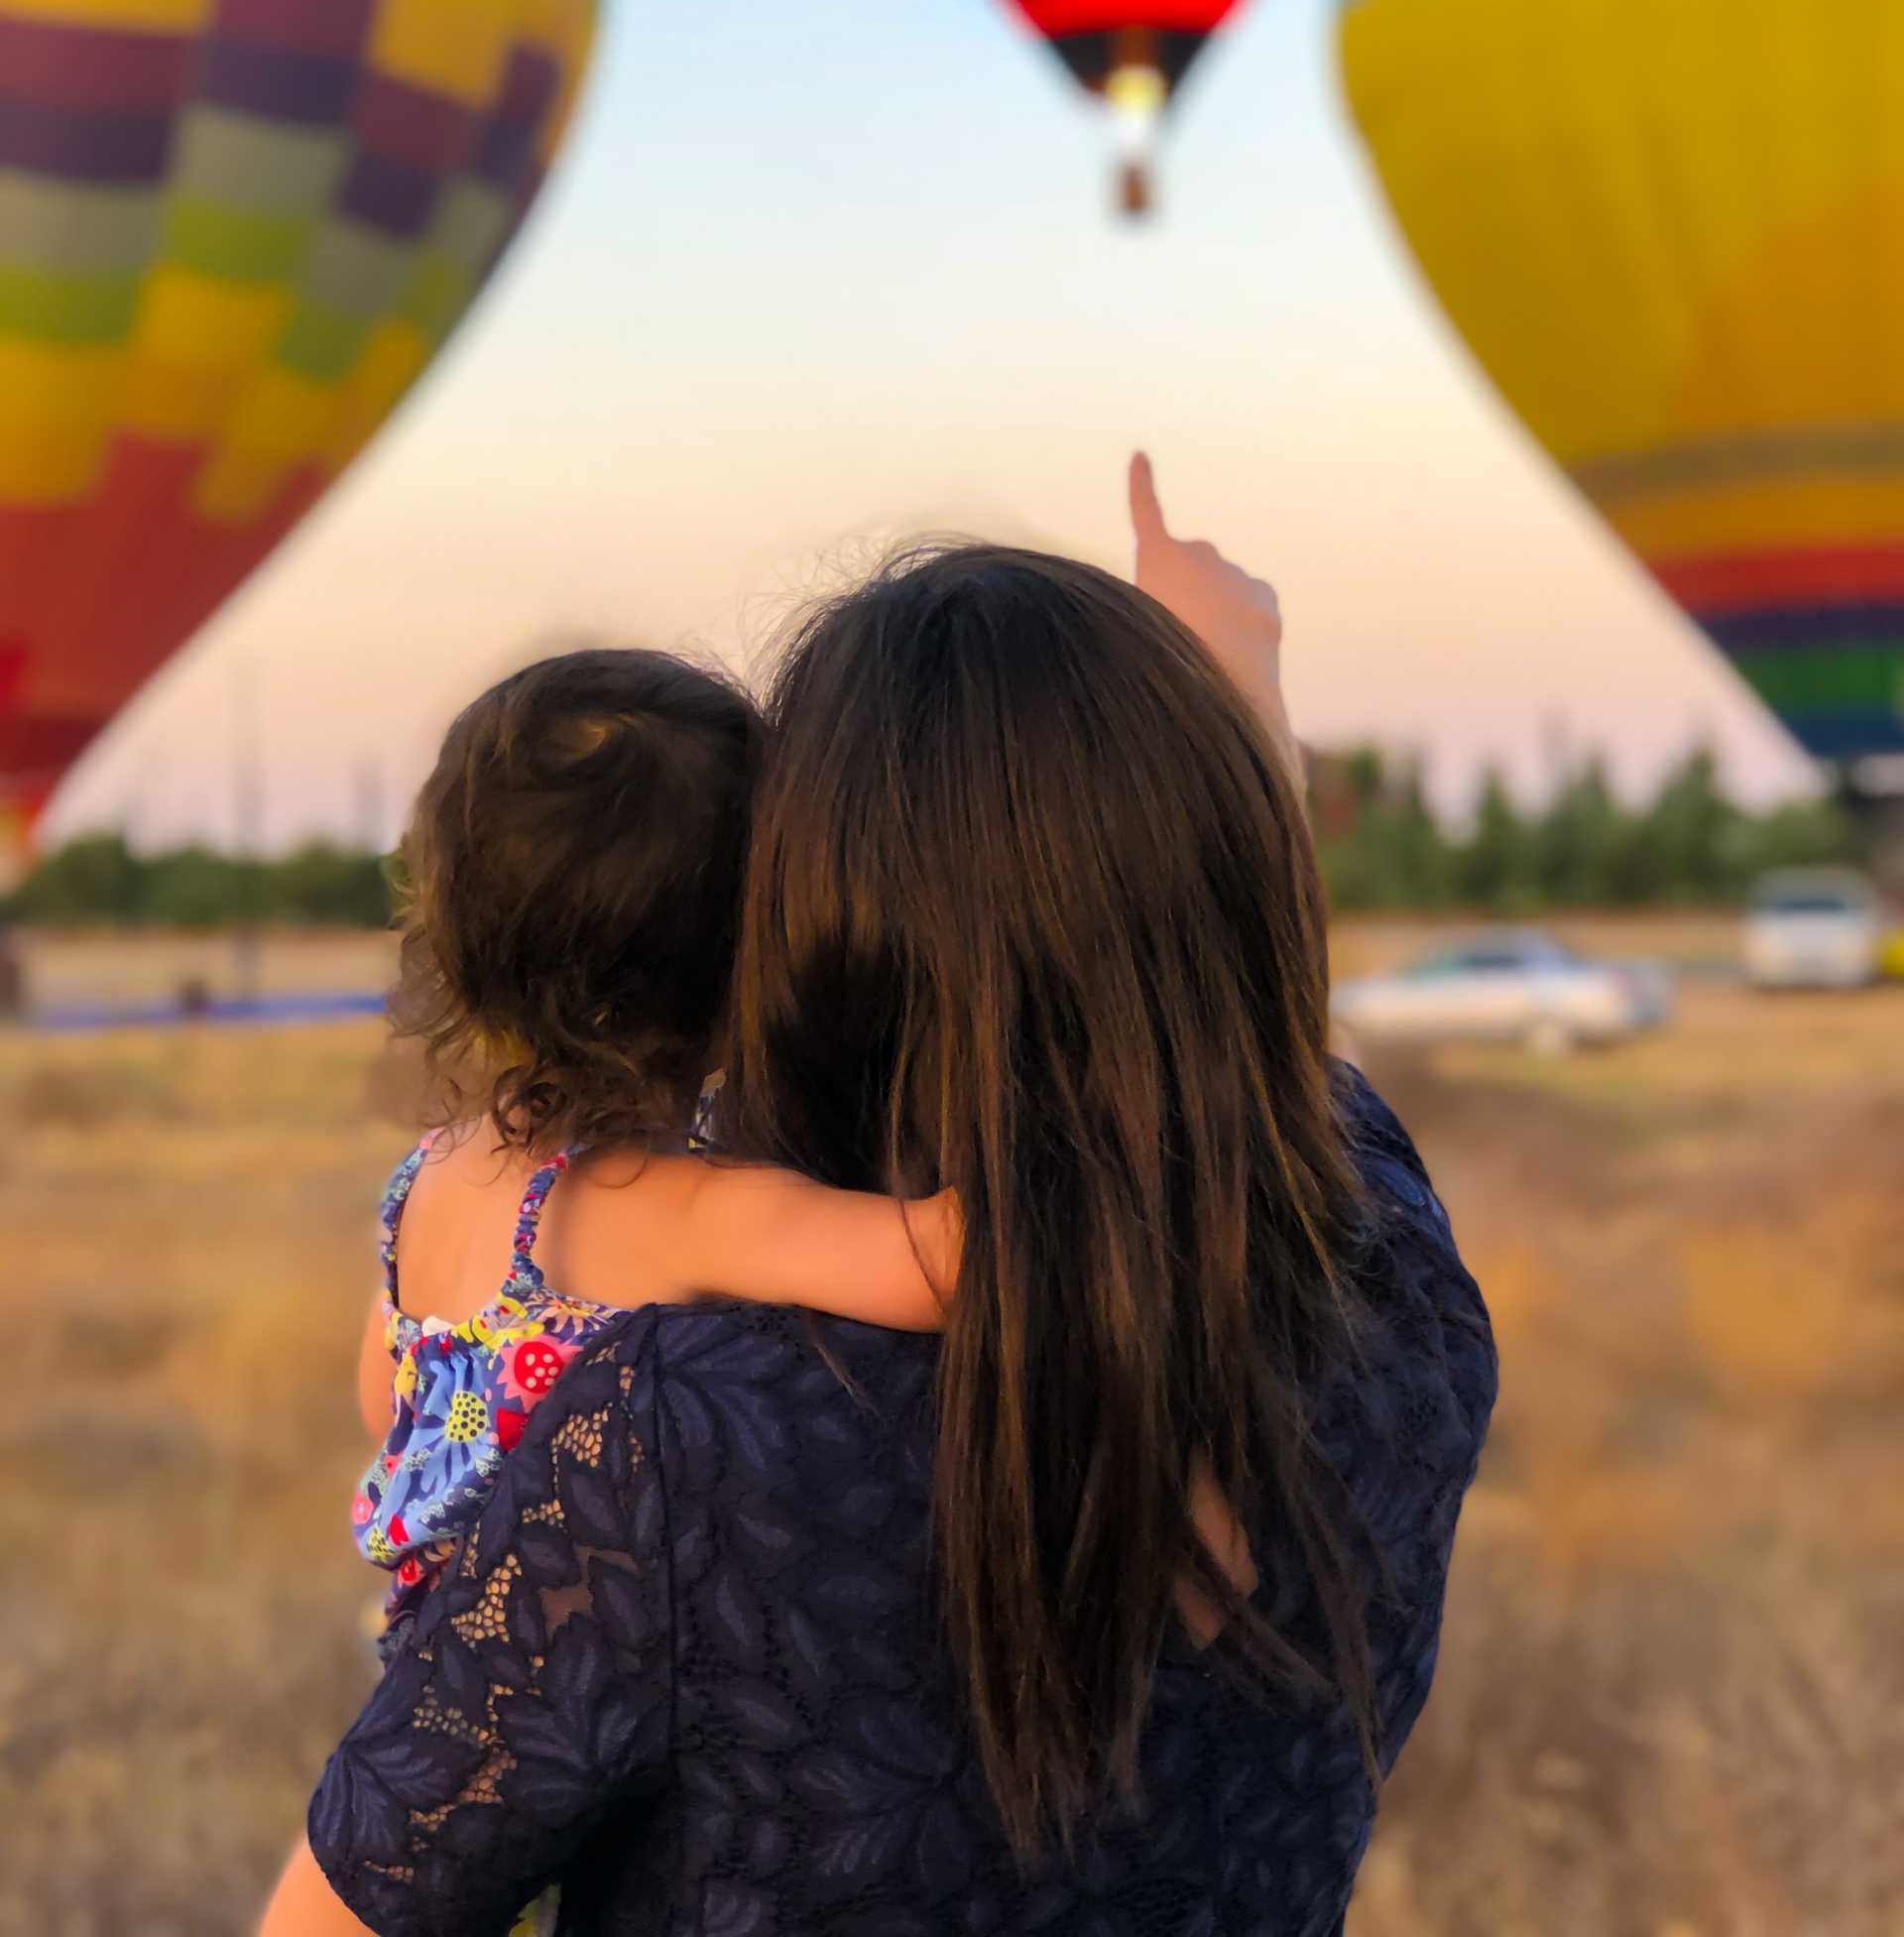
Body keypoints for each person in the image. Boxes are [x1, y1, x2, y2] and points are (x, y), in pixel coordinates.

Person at [266, 462, 1495, 1937]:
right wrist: (1221, 699)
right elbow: (1258, 1056)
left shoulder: (675, 1440)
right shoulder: (1384, 1281)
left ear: (816, 940)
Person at [340, 651, 961, 1936]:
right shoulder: (676, 1208)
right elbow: (941, 1264)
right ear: (762, 933)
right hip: (608, 1715)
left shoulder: (427, 1183)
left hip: (444, 1712)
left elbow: (386, 1403)